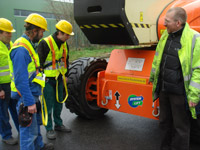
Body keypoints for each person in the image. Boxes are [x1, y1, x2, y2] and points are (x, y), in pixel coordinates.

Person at [149, 7, 200, 150]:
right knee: (164, 123)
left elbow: (198, 70)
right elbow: (158, 58)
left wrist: (194, 96)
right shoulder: (166, 35)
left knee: (181, 127)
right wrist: (153, 78)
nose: (164, 24)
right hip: (164, 90)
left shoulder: (195, 39)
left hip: (180, 93)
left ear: (178, 23)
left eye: (167, 21)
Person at [8, 13, 54, 150]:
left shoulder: (28, 45)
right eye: (42, 32)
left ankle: (39, 146)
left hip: (31, 94)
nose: (42, 35)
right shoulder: (21, 50)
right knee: (27, 133)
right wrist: (29, 102)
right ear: (34, 31)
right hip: (26, 97)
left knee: (34, 127)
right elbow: (20, 81)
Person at [37, 20, 73, 140]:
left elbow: (65, 61)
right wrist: (41, 79)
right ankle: (49, 128)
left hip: (60, 78)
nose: (68, 37)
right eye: (67, 34)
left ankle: (58, 124)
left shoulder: (64, 45)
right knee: (47, 104)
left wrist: (66, 75)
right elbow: (39, 63)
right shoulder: (45, 43)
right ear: (60, 32)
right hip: (47, 79)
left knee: (59, 102)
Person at [0, 18, 19, 145]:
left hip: (11, 84)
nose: (10, 34)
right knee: (3, 113)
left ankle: (21, 130)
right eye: (8, 32)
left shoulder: (10, 44)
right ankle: (6, 136)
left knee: (16, 109)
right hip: (2, 86)